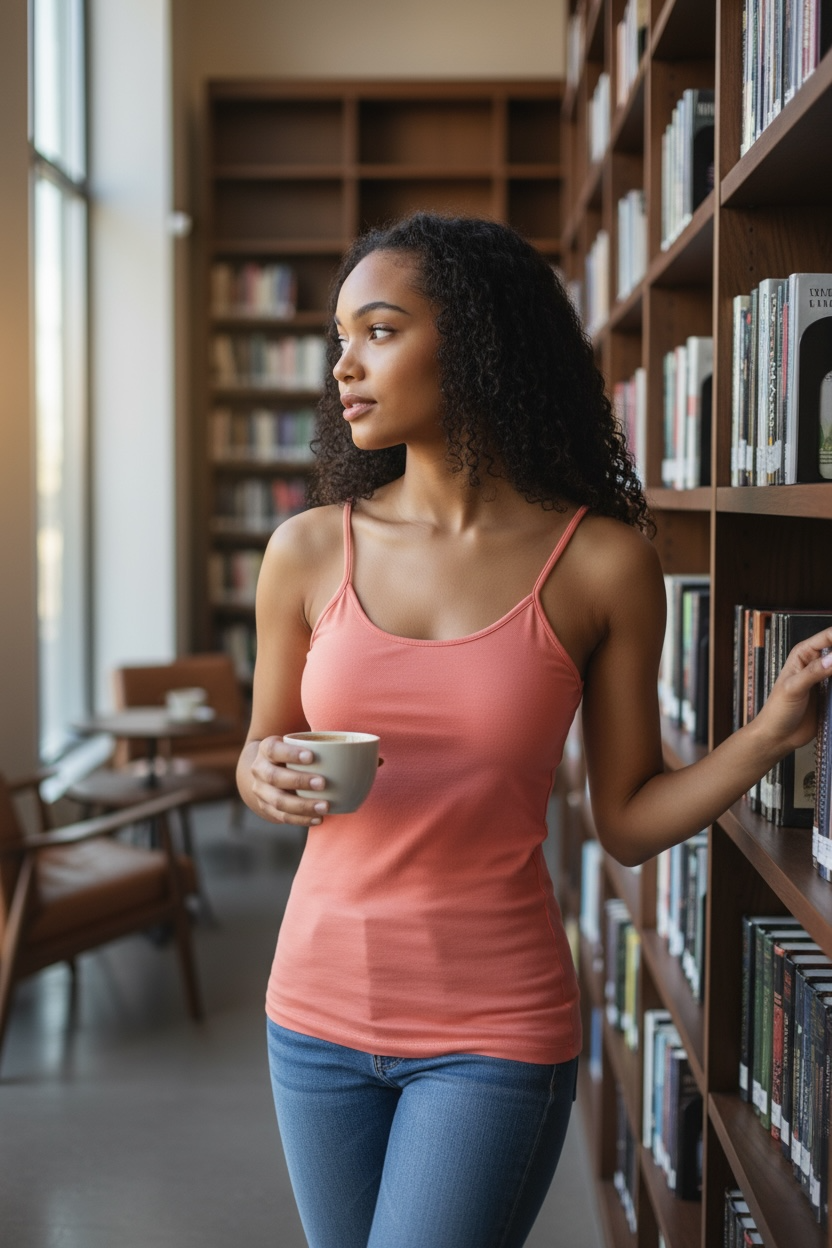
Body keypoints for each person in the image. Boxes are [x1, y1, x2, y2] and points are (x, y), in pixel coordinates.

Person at [236, 211, 832, 1248]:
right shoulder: (302, 552)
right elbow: (262, 748)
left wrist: (770, 734)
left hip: (491, 1030)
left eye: (378, 330)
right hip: (314, 1016)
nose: (342, 365)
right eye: (339, 337)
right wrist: (259, 774)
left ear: (473, 339)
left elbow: (631, 820)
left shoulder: (599, 564)